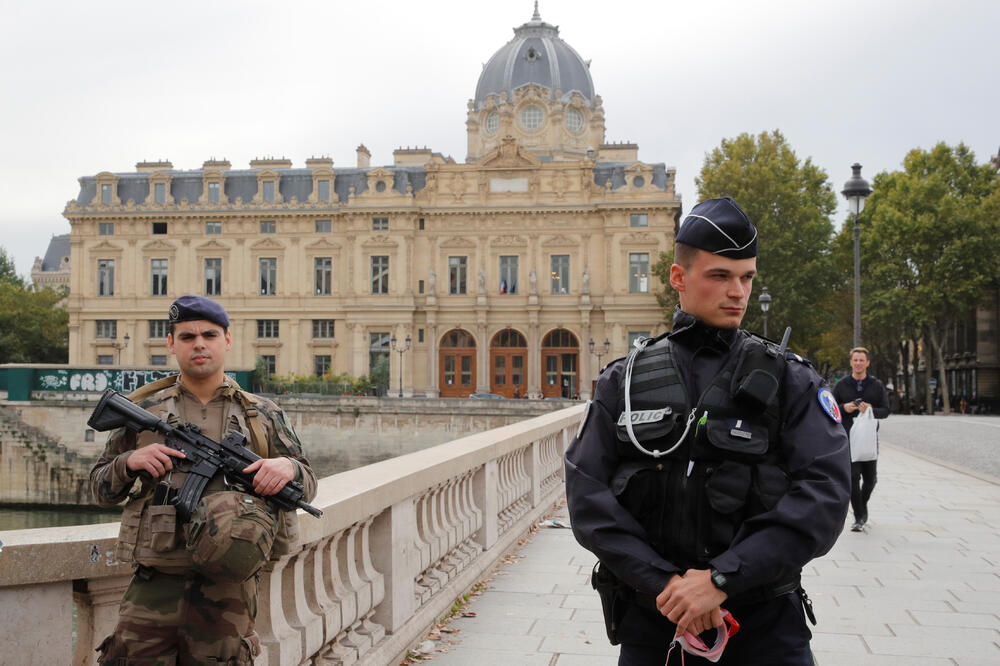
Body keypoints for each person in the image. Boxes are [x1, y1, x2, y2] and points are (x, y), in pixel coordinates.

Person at [565, 197, 851, 665]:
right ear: (679, 278)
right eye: (720, 276)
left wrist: (719, 580)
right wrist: (669, 586)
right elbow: (587, 495)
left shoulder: (791, 381)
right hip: (654, 626)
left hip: (764, 628)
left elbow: (824, 496)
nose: (737, 291)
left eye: (747, 277)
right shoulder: (626, 381)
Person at [90, 295, 317, 665]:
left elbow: (306, 480)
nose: (199, 344)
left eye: (209, 335)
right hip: (154, 584)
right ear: (171, 344)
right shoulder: (144, 411)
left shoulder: (261, 415)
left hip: (229, 593)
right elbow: (99, 487)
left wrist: (289, 469)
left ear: (227, 340)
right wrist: (130, 461)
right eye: (187, 336)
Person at [833, 347, 890, 532]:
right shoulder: (841, 385)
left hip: (869, 438)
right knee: (852, 478)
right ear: (851, 362)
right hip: (848, 439)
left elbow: (886, 410)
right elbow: (830, 408)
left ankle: (862, 505)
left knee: (871, 479)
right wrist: (845, 408)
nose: (858, 363)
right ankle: (858, 517)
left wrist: (870, 409)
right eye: (855, 360)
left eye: (861, 360)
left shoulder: (876, 385)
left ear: (867, 363)